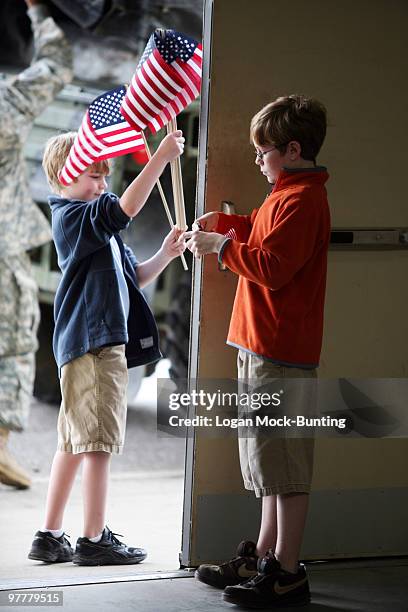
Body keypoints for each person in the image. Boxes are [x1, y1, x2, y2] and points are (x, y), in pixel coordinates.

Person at [185, 95, 330, 608]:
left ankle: (287, 572)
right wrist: (227, 227)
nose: (257, 160)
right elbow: (262, 237)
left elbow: (272, 266)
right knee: (265, 462)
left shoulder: (302, 200)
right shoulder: (282, 192)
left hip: (281, 351)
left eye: (262, 151)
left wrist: (221, 249)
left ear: (292, 150)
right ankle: (265, 555)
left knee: (285, 464)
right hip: (257, 343)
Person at [28, 129, 186, 565]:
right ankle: (94, 538)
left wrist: (166, 254)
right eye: (91, 176)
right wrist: (161, 157)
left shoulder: (98, 229)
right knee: (98, 443)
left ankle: (50, 533)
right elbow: (126, 207)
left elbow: (133, 277)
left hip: (88, 343)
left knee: (74, 440)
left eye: (104, 175)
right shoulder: (74, 217)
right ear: (62, 178)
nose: (101, 184)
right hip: (95, 346)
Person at [0, 0, 72, 490]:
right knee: (16, 343)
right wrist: (40, 11)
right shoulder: (6, 103)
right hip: (2, 247)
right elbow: (58, 64)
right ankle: (0, 448)